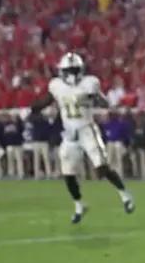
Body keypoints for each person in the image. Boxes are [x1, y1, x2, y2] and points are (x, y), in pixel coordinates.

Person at [28, 53, 134, 224]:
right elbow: (46, 101)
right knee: (68, 173)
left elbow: (104, 104)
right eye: (69, 70)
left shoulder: (89, 83)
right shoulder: (56, 86)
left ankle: (125, 195)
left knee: (101, 167)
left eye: (74, 70)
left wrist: (94, 97)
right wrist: (32, 109)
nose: (71, 74)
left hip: (87, 130)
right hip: (69, 134)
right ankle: (79, 205)